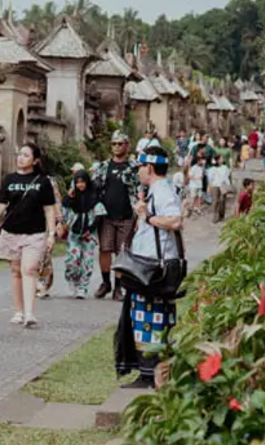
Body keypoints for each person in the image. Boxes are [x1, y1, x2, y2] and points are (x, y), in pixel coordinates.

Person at [114, 146, 183, 389]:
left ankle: (151, 375)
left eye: (141, 167)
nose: (139, 172)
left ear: (150, 167)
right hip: (149, 267)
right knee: (143, 317)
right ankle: (148, 374)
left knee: (151, 321)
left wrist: (148, 216)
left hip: (155, 269)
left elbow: (175, 220)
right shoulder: (155, 190)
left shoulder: (162, 190)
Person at [0, 143, 57, 328]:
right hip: (11, 232)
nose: (21, 158)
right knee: (16, 272)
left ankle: (30, 314)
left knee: (29, 269)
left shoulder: (42, 181)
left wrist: (52, 234)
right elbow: (1, 203)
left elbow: (49, 209)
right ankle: (19, 311)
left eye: (26, 155)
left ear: (35, 159)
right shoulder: (9, 179)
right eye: (20, 154)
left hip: (35, 233)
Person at [93, 131, 140, 301]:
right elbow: (94, 188)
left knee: (122, 252)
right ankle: (106, 283)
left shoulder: (134, 167)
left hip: (127, 215)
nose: (116, 147)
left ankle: (119, 287)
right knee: (104, 249)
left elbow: (140, 190)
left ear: (127, 145)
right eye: (114, 144)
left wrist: (140, 215)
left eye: (120, 144)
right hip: (105, 215)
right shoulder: (103, 167)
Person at [62, 170, 105, 299]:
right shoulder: (72, 197)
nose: (80, 185)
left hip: (89, 234)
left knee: (87, 262)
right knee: (72, 260)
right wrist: (69, 196)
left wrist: (90, 230)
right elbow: (64, 209)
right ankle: (72, 280)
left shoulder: (94, 196)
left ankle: (82, 288)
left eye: (83, 182)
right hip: (74, 233)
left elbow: (100, 215)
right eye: (77, 182)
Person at [207, 157, 231, 223]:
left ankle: (221, 215)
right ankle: (215, 216)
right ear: (217, 160)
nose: (222, 160)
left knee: (222, 200)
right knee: (215, 201)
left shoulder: (225, 167)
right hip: (215, 185)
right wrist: (209, 187)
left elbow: (227, 175)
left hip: (223, 185)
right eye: (221, 159)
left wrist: (227, 184)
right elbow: (210, 179)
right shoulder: (212, 169)